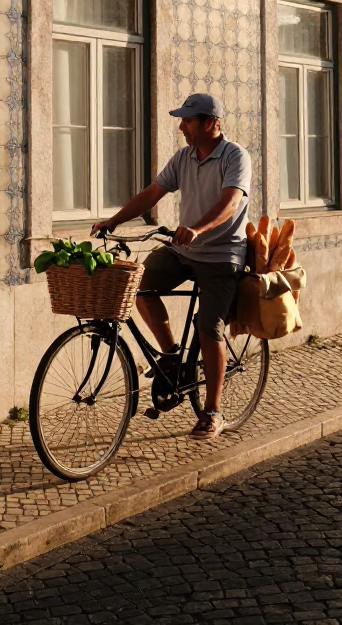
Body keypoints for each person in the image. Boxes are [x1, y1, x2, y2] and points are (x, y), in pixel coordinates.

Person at [92, 92, 251, 439]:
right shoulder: (184, 157)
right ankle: (171, 355)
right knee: (138, 285)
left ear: (211, 123)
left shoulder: (235, 156)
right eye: (182, 121)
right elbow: (153, 192)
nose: (182, 127)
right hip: (184, 251)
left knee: (209, 327)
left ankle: (213, 411)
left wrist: (198, 228)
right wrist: (114, 220)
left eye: (188, 121)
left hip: (223, 254)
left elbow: (231, 202)